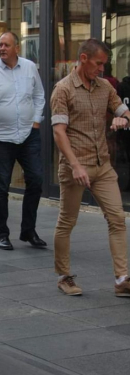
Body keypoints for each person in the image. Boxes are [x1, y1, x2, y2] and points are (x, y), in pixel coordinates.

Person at [50, 38, 130, 296]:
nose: (101, 69)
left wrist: (122, 118)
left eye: (104, 64)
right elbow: (59, 133)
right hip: (75, 166)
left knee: (117, 218)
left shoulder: (105, 87)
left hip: (102, 166)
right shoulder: (63, 89)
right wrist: (75, 166)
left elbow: (124, 110)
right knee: (67, 221)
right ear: (83, 58)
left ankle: (122, 279)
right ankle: (64, 276)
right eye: (98, 63)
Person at [0, 31, 46, 251]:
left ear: (17, 48)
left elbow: (39, 95)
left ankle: (28, 230)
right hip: (0, 137)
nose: (2, 48)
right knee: (1, 186)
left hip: (28, 135)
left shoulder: (30, 68)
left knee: (36, 180)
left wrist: (36, 120)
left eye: (6, 45)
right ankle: (2, 234)